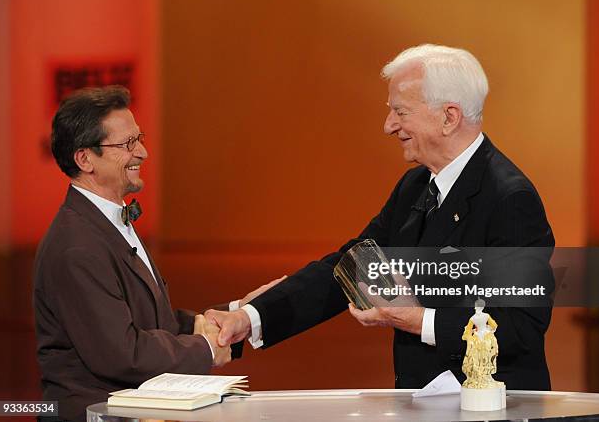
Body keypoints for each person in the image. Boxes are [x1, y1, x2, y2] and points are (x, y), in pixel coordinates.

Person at [207, 44, 555, 390]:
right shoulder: (415, 186)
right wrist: (249, 318)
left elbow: (520, 326)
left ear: (449, 117)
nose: (389, 126)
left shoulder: (510, 199)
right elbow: (349, 267)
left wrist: (419, 320)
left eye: (400, 112)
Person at [34, 86, 248, 422]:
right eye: (126, 145)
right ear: (85, 159)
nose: (143, 153)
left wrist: (239, 315)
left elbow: (153, 322)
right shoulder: (76, 247)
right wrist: (207, 347)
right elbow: (122, 353)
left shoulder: (106, 220)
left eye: (139, 138)